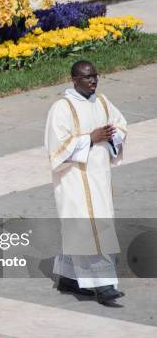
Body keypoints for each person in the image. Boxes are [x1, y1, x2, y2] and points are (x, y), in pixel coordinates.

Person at [45, 60, 128, 305]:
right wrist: (90, 138)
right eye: (86, 77)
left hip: (99, 178)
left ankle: (69, 278)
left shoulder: (101, 102)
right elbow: (56, 148)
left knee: (88, 227)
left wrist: (113, 135)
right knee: (87, 228)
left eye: (95, 76)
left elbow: (121, 125)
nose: (92, 81)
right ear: (74, 79)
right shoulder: (62, 108)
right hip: (74, 180)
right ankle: (103, 285)